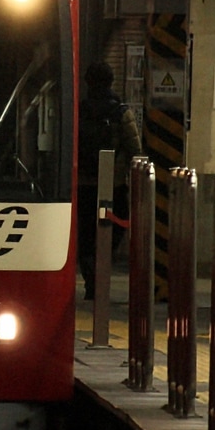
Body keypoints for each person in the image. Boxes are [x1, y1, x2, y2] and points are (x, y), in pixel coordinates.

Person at [77, 61, 142, 301]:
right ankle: (101, 269)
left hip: (84, 185)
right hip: (113, 186)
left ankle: (91, 278)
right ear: (111, 81)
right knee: (117, 227)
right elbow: (135, 149)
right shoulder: (121, 112)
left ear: (88, 82)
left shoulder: (80, 110)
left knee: (85, 235)